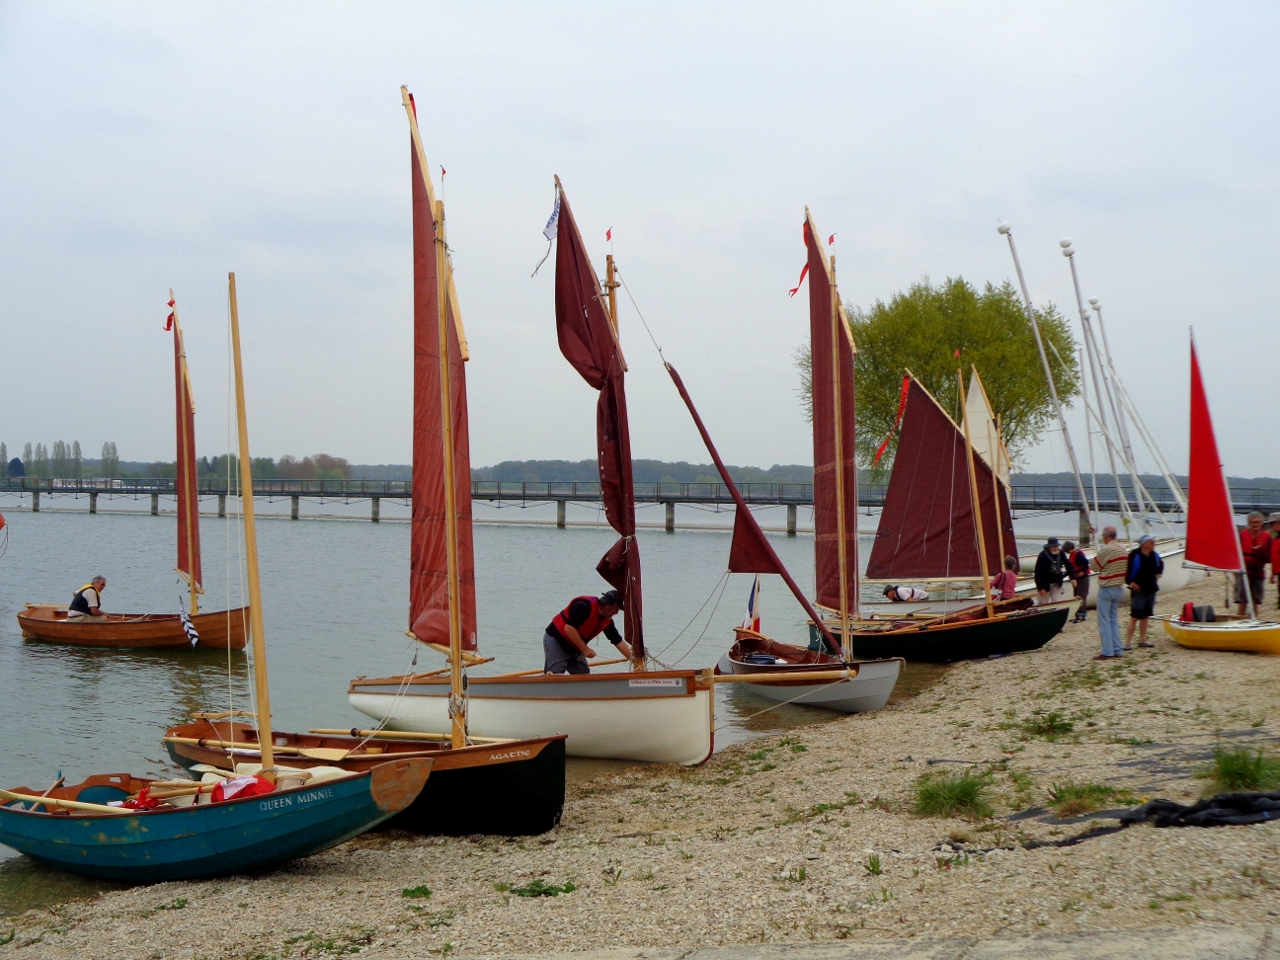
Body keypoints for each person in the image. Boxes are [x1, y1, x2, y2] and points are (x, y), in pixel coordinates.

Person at [543, 589, 633, 675]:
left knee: (583, 674)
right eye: (616, 608)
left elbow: (618, 641)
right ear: (608, 605)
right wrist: (585, 649)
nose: (616, 612)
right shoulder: (584, 606)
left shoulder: (607, 621)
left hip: (576, 646)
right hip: (557, 640)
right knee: (555, 674)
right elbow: (569, 628)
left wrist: (633, 660)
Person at [1091, 526, 1127, 660]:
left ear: (1106, 537)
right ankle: (1117, 649)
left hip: (1107, 587)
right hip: (1119, 587)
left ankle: (1107, 651)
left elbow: (1093, 566)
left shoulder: (1107, 549)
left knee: (1104, 621)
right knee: (1113, 619)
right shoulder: (1122, 548)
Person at [1125, 534, 1163, 649]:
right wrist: (1131, 583)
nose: (1154, 544)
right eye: (1151, 542)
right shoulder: (1134, 555)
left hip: (1151, 589)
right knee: (1135, 616)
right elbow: (1127, 573)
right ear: (1144, 544)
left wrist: (1158, 575)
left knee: (1146, 616)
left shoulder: (1154, 555)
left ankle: (1142, 640)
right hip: (1139, 590)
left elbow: (1160, 565)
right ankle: (1127, 643)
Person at [1237, 511, 1272, 617]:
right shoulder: (1242, 534)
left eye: (1257, 522)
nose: (1255, 524)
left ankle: (1254, 619)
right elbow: (1235, 550)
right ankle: (1239, 620)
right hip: (1243, 571)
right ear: (1248, 523)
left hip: (1258, 571)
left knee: (1255, 601)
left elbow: (1270, 558)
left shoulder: (1267, 536)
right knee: (1242, 600)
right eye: (1252, 522)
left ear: (1262, 523)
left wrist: (1260, 552)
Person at [1033, 537, 1068, 604]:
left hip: (1057, 583)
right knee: (1042, 603)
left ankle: (1056, 613)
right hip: (1045, 583)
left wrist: (1071, 577)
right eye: (1053, 547)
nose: (1055, 548)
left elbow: (1068, 565)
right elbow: (1037, 573)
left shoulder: (1061, 553)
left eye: (1057, 546)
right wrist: (1040, 587)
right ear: (1049, 547)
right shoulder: (1042, 555)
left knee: (1056, 602)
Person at [1064, 540, 1091, 623]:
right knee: (1076, 596)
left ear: (1070, 549)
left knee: (1081, 596)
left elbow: (1086, 563)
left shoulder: (1078, 554)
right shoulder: (1073, 554)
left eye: (1067, 550)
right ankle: (1077, 615)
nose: (1067, 552)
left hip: (1082, 579)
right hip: (1076, 578)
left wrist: (1083, 571)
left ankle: (1082, 615)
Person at [1270, 513, 1280, 610]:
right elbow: (1275, 558)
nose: (1271, 526)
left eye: (1273, 523)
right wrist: (1273, 574)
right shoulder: (1276, 539)